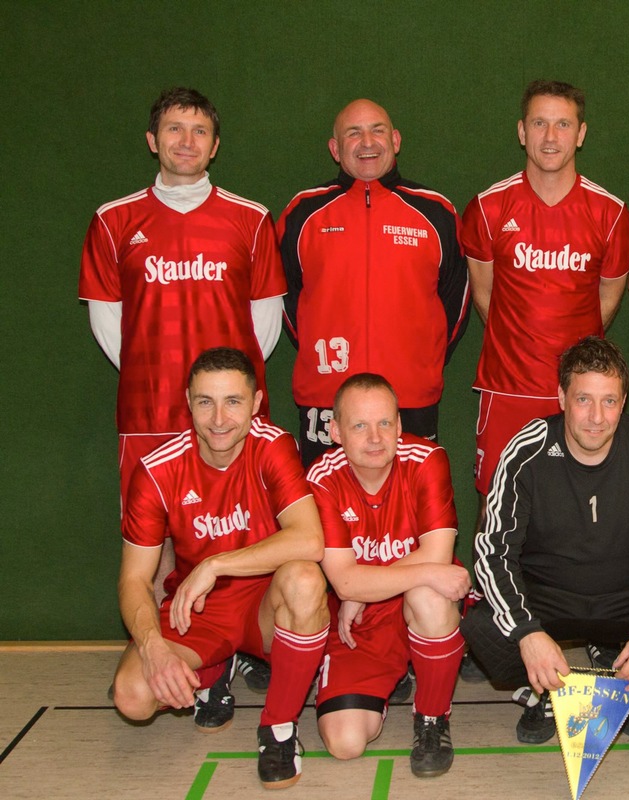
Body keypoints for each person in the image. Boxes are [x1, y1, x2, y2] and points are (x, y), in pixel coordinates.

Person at [79, 85, 283, 693]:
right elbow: (107, 318)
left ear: (215, 146)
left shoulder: (250, 220)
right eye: (174, 129)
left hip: (232, 414)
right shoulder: (114, 220)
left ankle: (244, 643)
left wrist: (230, 399)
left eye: (198, 131)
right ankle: (176, 649)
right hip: (147, 408)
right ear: (153, 140)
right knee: (158, 543)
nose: (186, 141)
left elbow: (265, 318)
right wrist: (156, 373)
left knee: (246, 526)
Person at [462, 337, 629, 743]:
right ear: (562, 397)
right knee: (484, 627)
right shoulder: (527, 450)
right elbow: (493, 552)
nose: (596, 417)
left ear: (624, 400)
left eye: (610, 401)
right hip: (548, 597)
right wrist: (527, 631)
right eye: (584, 400)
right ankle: (541, 692)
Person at [111, 348, 328, 790]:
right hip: (201, 609)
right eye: (205, 401)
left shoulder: (273, 446)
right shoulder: (156, 470)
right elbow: (133, 578)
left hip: (266, 605)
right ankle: (214, 668)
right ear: (188, 401)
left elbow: (310, 539)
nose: (219, 418)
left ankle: (279, 728)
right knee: (132, 697)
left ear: (256, 402)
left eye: (233, 401)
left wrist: (215, 563)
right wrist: (152, 647)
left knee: (305, 579)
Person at [461, 79, 629, 508]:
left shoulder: (609, 213)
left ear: (581, 133)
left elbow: (607, 298)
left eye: (562, 124)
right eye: (539, 123)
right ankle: (490, 579)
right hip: (507, 389)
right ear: (522, 132)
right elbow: (484, 294)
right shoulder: (488, 207)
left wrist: (575, 357)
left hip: (581, 391)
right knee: (495, 504)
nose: (550, 137)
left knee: (580, 503)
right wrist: (518, 342)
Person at [279, 98, 469, 466]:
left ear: (395, 140)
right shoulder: (302, 213)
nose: (367, 141)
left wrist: (423, 359)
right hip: (326, 395)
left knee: (412, 512)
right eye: (354, 133)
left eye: (377, 130)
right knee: (325, 511)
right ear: (335, 149)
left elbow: (456, 302)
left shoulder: (436, 212)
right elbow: (286, 300)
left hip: (410, 397)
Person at [307, 373, 471, 777]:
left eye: (385, 423)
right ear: (336, 432)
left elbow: (437, 553)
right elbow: (343, 582)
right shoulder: (320, 479)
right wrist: (355, 590)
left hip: (405, 605)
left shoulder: (427, 459)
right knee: (345, 743)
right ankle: (389, 679)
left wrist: (363, 588)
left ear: (400, 426)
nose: (376, 437)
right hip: (357, 627)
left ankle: (432, 717)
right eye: (359, 425)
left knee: (433, 590)